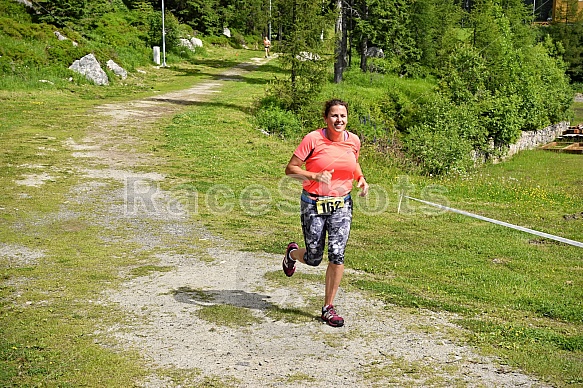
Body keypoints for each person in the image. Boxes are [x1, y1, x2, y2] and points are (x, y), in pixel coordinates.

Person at [283, 99, 369, 327]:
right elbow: (290, 170)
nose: (339, 120)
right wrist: (314, 176)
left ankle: (328, 307)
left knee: (337, 254)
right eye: (334, 116)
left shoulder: (354, 141)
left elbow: (353, 164)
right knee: (313, 257)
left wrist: (361, 179)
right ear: (326, 119)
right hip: (313, 203)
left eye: (343, 116)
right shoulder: (313, 139)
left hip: (342, 204)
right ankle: (292, 254)